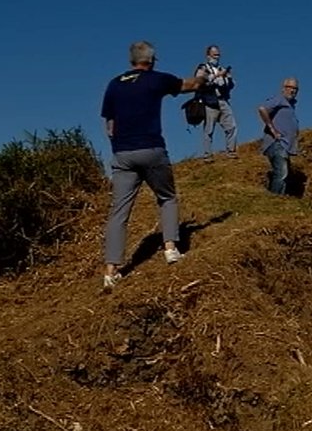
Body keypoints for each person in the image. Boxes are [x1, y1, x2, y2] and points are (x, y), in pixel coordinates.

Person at [100, 41, 208, 289]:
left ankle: (110, 271)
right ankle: (170, 248)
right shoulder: (156, 79)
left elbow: (110, 125)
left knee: (119, 212)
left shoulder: (114, 84)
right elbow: (189, 85)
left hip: (123, 153)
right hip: (151, 148)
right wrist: (201, 77)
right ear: (152, 60)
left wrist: (119, 146)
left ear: (131, 60)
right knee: (167, 196)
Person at [194, 45, 238, 161]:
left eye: (218, 55)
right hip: (210, 101)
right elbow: (198, 79)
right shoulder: (203, 67)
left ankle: (231, 152)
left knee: (231, 126)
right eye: (214, 55)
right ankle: (208, 155)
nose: (217, 57)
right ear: (208, 56)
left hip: (223, 100)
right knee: (209, 129)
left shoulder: (221, 68)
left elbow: (231, 85)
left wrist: (228, 79)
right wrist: (215, 76)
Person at [257, 78, 300, 195]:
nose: (292, 91)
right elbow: (262, 108)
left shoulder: (290, 105)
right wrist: (272, 129)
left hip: (285, 146)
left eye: (295, 88)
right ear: (283, 88)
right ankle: (274, 200)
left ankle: (279, 199)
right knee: (281, 172)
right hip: (276, 143)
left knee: (284, 174)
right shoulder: (279, 99)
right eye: (289, 87)